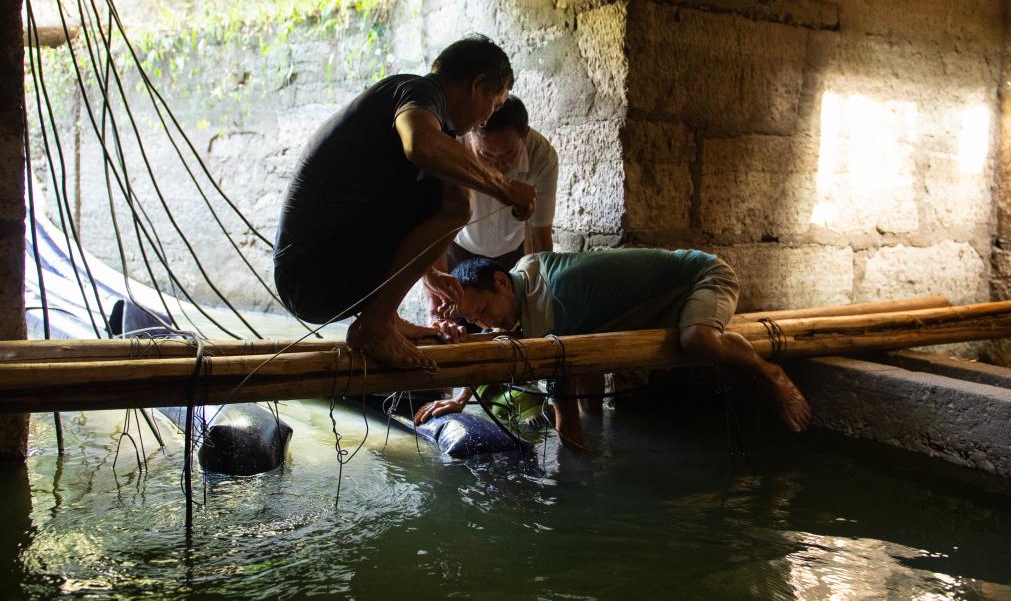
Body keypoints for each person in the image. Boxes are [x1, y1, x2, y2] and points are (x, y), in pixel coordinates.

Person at [273, 35, 537, 370]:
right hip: (310, 274)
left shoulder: (430, 112)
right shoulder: (417, 92)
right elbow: (420, 144)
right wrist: (504, 188)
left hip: (318, 275)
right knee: (455, 200)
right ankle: (375, 324)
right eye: (495, 105)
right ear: (477, 85)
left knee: (449, 186)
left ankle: (385, 317)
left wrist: (428, 270)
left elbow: (380, 202)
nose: (487, 119)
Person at [415, 249, 812, 448]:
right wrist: (460, 399)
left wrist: (573, 489)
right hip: (658, 306)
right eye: (477, 321)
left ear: (501, 282)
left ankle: (770, 373)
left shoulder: (555, 299)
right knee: (582, 371)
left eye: (485, 311)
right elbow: (504, 345)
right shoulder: (526, 280)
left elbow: (563, 412)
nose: (487, 325)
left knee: (698, 340)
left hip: (703, 278)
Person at [422, 95, 559, 342]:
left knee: (514, 330)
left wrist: (542, 308)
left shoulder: (543, 157)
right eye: (486, 156)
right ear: (470, 138)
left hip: (514, 253)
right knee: (447, 332)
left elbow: (539, 238)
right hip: (456, 246)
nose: (497, 166)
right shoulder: (451, 147)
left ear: (524, 135)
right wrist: (436, 309)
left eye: (507, 155)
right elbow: (432, 229)